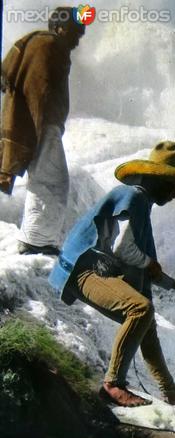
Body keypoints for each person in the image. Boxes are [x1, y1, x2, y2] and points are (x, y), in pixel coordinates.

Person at [49, 141, 175, 408]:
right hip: (82, 270)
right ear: (155, 179)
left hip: (88, 270)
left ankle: (170, 391)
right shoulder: (134, 197)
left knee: (147, 321)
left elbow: (145, 264)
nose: (174, 195)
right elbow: (124, 249)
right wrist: (149, 264)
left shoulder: (138, 201)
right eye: (171, 186)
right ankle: (112, 385)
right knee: (140, 309)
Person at [0, 7, 85, 255]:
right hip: (42, 124)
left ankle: (36, 239)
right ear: (60, 28)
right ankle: (35, 242)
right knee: (53, 182)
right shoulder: (51, 45)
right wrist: (44, 124)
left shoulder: (35, 42)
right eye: (75, 33)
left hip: (35, 122)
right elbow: (41, 89)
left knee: (45, 181)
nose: (77, 41)